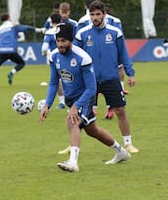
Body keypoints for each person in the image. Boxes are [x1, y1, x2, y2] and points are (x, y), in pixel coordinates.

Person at [40, 23, 130, 172]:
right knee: (92, 130)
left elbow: (91, 88)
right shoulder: (54, 56)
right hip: (71, 99)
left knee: (72, 122)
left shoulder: (83, 58)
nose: (60, 45)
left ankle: (73, 162)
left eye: (63, 41)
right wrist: (47, 105)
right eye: (58, 41)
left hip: (85, 97)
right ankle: (121, 152)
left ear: (70, 40)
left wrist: (76, 106)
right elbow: (54, 82)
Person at [74, 0, 139, 153]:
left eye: (97, 14)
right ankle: (72, 145)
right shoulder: (82, 34)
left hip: (111, 78)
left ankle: (128, 143)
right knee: (79, 113)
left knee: (120, 111)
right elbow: (75, 56)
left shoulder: (115, 32)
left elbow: (124, 54)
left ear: (104, 14)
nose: (94, 17)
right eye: (92, 14)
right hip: (89, 81)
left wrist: (130, 73)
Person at [0, 13, 43, 87]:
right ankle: (11, 73)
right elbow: (26, 28)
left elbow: (10, 35)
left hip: (2, 51)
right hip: (11, 51)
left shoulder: (0, 28)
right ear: (8, 18)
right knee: (21, 63)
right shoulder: (13, 26)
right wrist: (39, 30)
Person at [41, 13, 66, 109]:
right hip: (68, 57)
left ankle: (61, 102)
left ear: (51, 22)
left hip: (55, 58)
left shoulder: (49, 32)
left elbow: (44, 48)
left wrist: (44, 54)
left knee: (57, 80)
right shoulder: (66, 30)